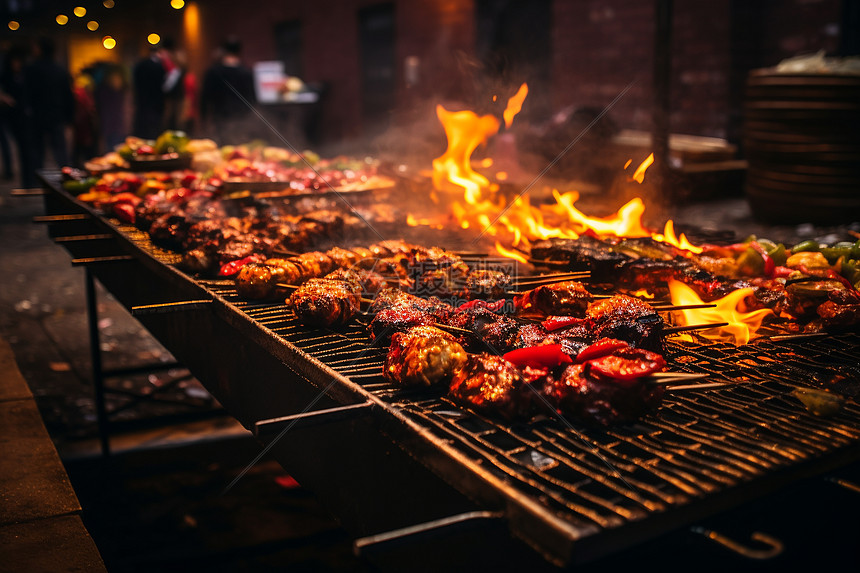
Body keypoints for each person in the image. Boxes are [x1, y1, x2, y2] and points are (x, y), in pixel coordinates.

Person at [25, 37, 74, 172]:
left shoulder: (31, 69)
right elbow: (68, 96)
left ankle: (35, 182)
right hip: (56, 116)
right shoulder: (59, 70)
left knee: (37, 153)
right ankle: (67, 179)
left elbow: (27, 94)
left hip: (37, 116)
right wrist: (69, 118)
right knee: (61, 153)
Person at [200, 37, 257, 143]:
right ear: (239, 51)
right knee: (242, 151)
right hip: (242, 119)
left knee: (223, 151)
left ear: (223, 50)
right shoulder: (247, 72)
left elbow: (205, 98)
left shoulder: (213, 71)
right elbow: (253, 100)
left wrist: (204, 121)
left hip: (219, 118)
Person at [1, 44, 36, 187]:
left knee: (27, 149)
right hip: (10, 116)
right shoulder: (6, 76)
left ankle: (30, 181)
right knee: (13, 147)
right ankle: (23, 180)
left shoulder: (27, 75)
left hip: (25, 117)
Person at [132, 45, 167, 139]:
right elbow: (163, 85)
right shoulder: (159, 66)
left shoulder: (140, 64)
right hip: (155, 103)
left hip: (142, 102)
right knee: (154, 129)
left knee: (143, 128)